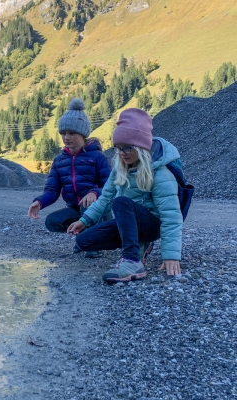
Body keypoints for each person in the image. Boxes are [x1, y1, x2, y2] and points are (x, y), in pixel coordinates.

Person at [67, 108, 183, 282]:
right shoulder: (119, 169)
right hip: (128, 221)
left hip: (151, 224)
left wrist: (171, 255)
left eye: (127, 148)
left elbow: (171, 216)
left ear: (141, 147)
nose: (122, 153)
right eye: (118, 148)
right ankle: (137, 245)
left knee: (121, 202)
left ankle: (132, 260)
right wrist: (84, 221)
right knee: (84, 241)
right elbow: (105, 198)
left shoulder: (160, 174)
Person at [28, 98, 111, 257]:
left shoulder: (98, 157)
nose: (67, 137)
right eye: (63, 133)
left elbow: (110, 185)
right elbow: (52, 190)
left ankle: (95, 241)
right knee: (52, 221)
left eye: (72, 133)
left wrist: (94, 192)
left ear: (83, 133)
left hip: (99, 207)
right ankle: (83, 235)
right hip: (75, 207)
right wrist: (39, 202)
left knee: (88, 204)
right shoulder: (59, 161)